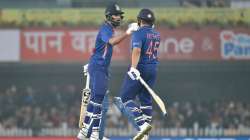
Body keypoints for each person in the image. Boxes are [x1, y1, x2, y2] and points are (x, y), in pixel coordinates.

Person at [77, 2, 138, 140]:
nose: (119, 17)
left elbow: (98, 47)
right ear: (109, 16)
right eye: (116, 15)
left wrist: (91, 61)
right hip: (99, 67)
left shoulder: (108, 29)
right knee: (98, 100)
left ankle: (88, 131)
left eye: (119, 15)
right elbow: (112, 42)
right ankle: (92, 133)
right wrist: (128, 32)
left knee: (96, 100)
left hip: (99, 67)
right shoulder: (106, 28)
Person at [115, 8, 160, 140]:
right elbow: (149, 37)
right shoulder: (157, 34)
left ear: (140, 21)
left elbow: (137, 51)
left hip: (139, 67)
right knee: (145, 99)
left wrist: (133, 68)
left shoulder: (138, 33)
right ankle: (145, 135)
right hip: (153, 69)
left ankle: (142, 125)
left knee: (124, 99)